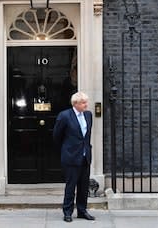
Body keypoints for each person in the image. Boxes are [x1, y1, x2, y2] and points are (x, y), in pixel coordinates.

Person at [53, 91, 95, 222]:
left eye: (86, 102)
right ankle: (68, 212)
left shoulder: (88, 115)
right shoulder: (65, 116)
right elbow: (56, 135)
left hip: (84, 156)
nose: (86, 105)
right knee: (71, 185)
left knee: (83, 186)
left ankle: (82, 210)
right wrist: (67, 149)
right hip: (71, 156)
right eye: (83, 103)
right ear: (75, 103)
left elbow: (86, 136)